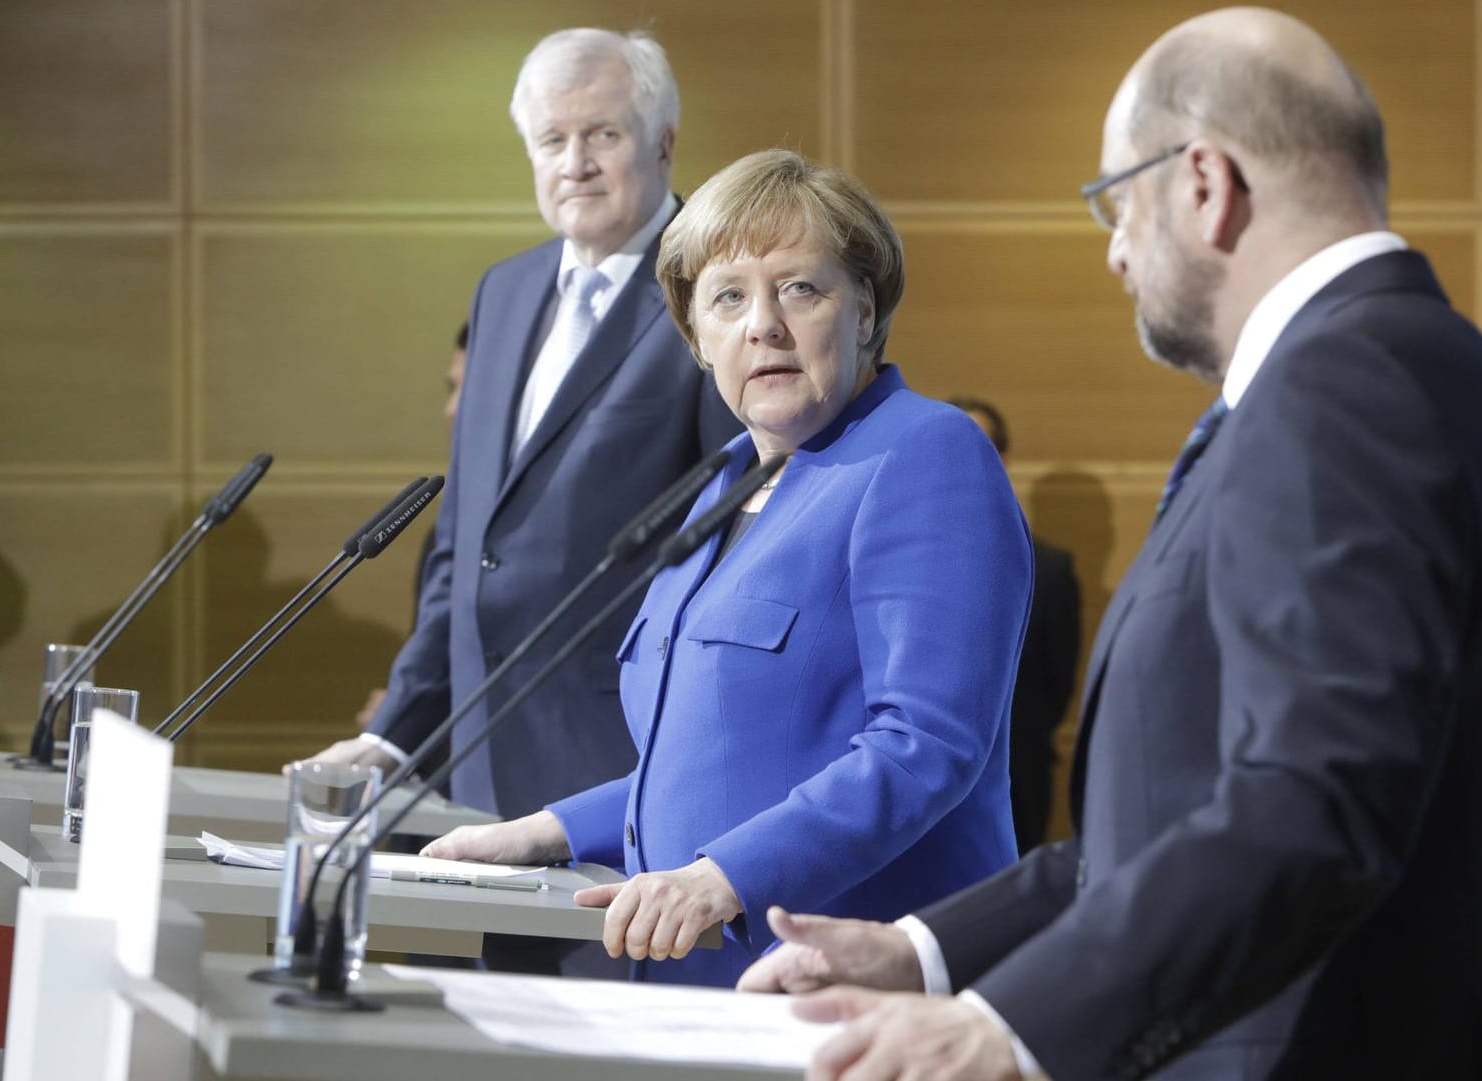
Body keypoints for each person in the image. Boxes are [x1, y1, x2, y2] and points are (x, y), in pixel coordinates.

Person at [739, 9, 1482, 1080]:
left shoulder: (1346, 386)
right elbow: (1172, 823)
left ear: (1204, 183)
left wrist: (1009, 1029)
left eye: (1115, 200)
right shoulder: (1403, 365)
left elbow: (1313, 803)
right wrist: (920, 951)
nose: (1114, 248)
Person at [422, 148, 1033, 988]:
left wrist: (722, 878)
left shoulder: (926, 453)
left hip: (839, 981)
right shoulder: (724, 482)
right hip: (691, 980)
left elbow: (924, 744)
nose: (764, 325)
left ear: (864, 310)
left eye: (800, 288)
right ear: (697, 341)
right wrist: (546, 830)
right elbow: (715, 758)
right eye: (728, 298)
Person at [303, 28, 740, 976]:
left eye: (604, 136)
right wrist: (395, 733)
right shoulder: (504, 292)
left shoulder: (714, 293)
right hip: (481, 773)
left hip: (626, 772)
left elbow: (738, 544)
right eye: (552, 141)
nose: (575, 164)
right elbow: (466, 549)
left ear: (664, 142)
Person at [947, 396, 1079, 853]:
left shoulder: (1052, 568)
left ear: (1003, 459)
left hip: (1017, 786)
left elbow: (1056, 687)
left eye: (982, 449)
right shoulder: (889, 556)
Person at [354, 322, 470, 734]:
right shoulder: (448, 533)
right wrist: (402, 710)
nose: (451, 409)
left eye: (469, 388)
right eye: (450, 388)